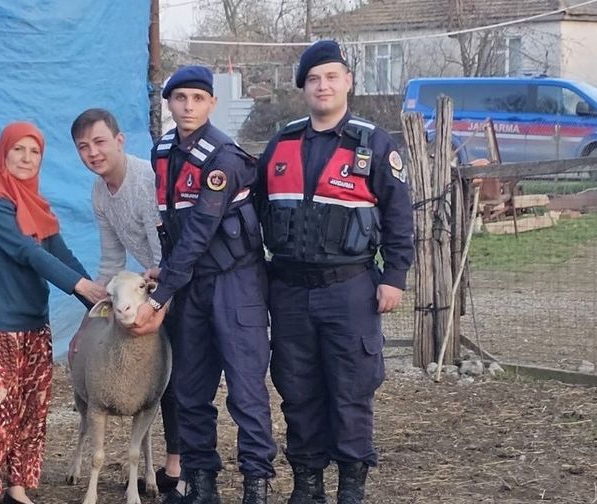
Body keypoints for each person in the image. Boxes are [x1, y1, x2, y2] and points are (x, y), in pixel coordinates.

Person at [255, 40, 414, 504]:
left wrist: (394, 276)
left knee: (351, 390)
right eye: (313, 79)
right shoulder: (281, 144)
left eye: (330, 77)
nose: (322, 86)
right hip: (289, 292)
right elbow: (256, 210)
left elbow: (400, 216)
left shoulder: (374, 144)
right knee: (297, 389)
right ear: (303, 87)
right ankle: (307, 486)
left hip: (350, 290)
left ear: (348, 81)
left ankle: (351, 486)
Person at [132, 65, 277, 504]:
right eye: (180, 98)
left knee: (246, 391)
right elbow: (171, 225)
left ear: (212, 103)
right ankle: (201, 484)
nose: (188, 107)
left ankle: (256, 485)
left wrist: (161, 296)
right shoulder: (162, 152)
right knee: (190, 390)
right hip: (192, 285)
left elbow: (198, 232)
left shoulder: (224, 158)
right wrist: (167, 272)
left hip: (236, 284)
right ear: (168, 103)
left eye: (198, 98)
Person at [0, 122, 97, 504]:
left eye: (35, 152)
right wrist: (79, 286)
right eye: (19, 149)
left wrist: (98, 303)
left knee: (30, 410)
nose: (27, 158)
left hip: (31, 322)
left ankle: (16, 490)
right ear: (3, 153)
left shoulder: (35, 205)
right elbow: (24, 250)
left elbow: (60, 254)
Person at [68, 108, 181, 492]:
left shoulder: (145, 181)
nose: (93, 153)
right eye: (83, 147)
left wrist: (155, 305)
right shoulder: (100, 192)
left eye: (100, 142)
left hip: (176, 282)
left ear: (119, 140)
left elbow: (163, 254)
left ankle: (179, 467)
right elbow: (111, 261)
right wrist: (87, 324)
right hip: (150, 288)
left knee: (172, 375)